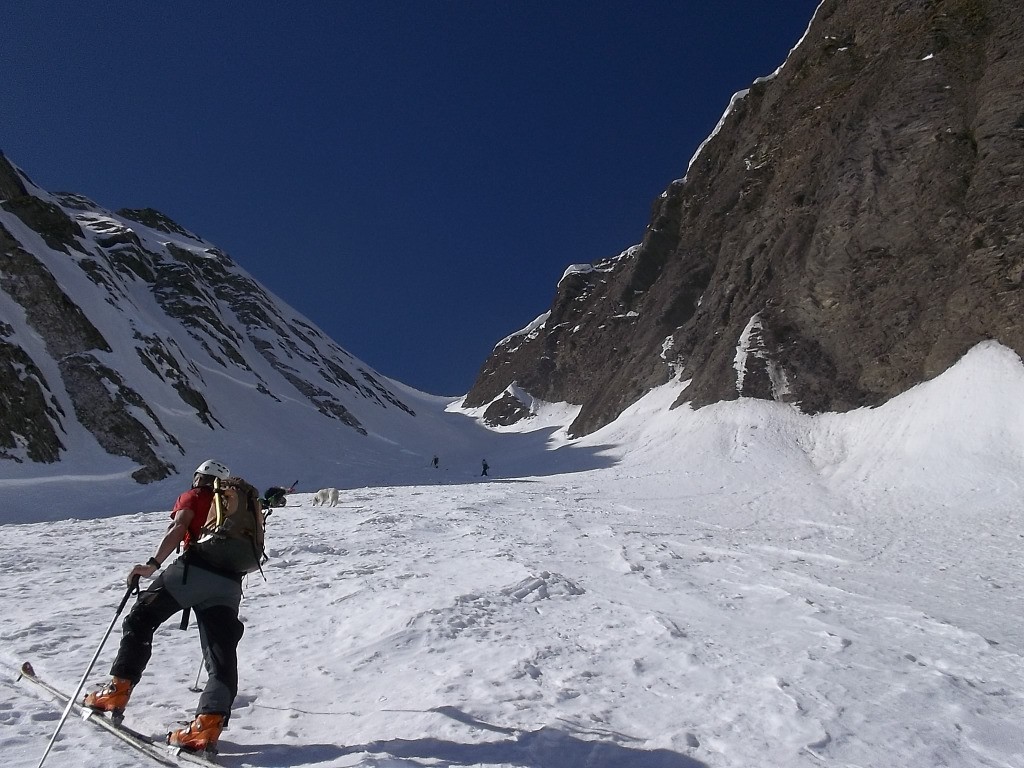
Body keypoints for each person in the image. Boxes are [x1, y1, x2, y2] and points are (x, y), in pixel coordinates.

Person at [84, 461, 259, 754]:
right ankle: (208, 724)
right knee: (221, 652)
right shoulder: (236, 510)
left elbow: (179, 527)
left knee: (141, 618)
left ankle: (116, 693)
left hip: (193, 573)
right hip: (229, 584)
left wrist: (152, 564)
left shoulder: (194, 496)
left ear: (200, 479)